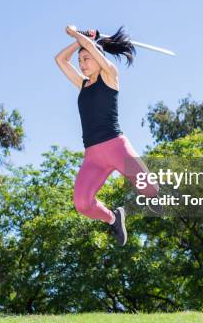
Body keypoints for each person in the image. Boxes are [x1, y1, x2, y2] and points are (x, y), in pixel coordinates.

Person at [54, 24, 160, 246]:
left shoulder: (110, 75)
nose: (82, 64)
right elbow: (60, 60)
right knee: (82, 203)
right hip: (93, 156)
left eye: (86, 59)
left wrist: (79, 36)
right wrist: (78, 40)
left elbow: (94, 54)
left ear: (97, 55)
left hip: (116, 147)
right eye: (80, 61)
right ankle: (114, 218)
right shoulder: (82, 85)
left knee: (151, 190)